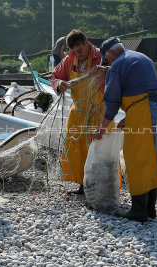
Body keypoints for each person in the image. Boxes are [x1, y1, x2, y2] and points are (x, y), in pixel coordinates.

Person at [92, 37, 157, 222]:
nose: (108, 63)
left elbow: (112, 103)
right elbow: (145, 91)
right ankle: (150, 209)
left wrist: (101, 129)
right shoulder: (141, 57)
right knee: (153, 159)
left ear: (111, 53)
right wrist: (130, 116)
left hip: (145, 111)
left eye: (106, 60)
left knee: (137, 158)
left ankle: (138, 211)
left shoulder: (117, 65)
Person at [51, 29, 108, 195]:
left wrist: (105, 70)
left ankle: (101, 185)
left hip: (99, 111)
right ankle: (82, 185)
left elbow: (118, 73)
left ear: (87, 42)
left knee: (98, 148)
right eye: (73, 52)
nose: (78, 55)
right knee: (77, 149)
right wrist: (60, 83)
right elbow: (55, 76)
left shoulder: (101, 56)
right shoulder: (70, 60)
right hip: (77, 113)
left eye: (80, 51)